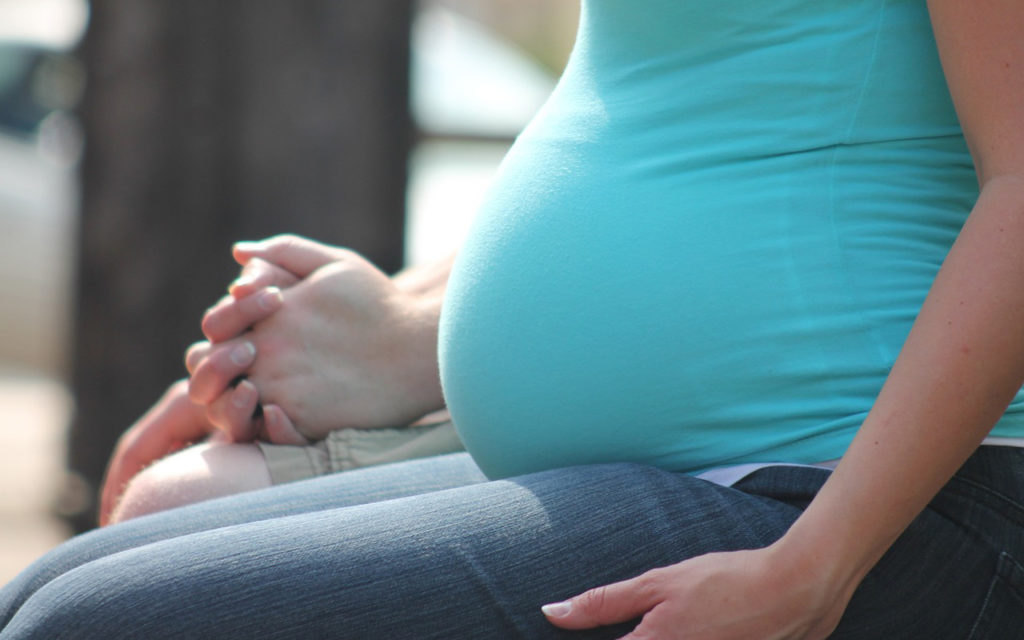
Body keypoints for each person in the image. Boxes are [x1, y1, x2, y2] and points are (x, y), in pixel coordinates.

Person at [3, 0, 1024, 637]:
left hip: (855, 498)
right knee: (55, 588)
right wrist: (414, 319)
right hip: (704, 465)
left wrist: (815, 568)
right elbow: (687, 112)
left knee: (92, 627)